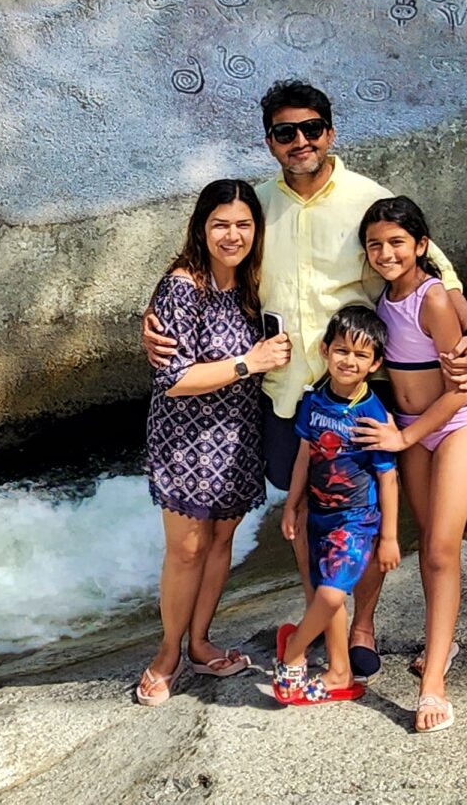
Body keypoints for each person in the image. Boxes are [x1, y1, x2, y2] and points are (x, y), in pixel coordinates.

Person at [143, 80, 467, 681]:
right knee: (308, 513)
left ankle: (360, 626)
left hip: (355, 388)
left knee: (368, 514)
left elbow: (433, 264)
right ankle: (321, 616)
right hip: (282, 394)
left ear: (329, 131)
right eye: (284, 132)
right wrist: (152, 320)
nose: (299, 141)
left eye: (310, 129)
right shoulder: (259, 207)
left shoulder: (366, 198)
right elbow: (208, 260)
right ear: (270, 140)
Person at [137, 179, 291, 706]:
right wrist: (251, 362)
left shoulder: (252, 282)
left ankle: (200, 643)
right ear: (201, 229)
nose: (232, 235)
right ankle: (167, 653)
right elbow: (172, 379)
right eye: (221, 224)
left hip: (238, 434)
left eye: (243, 225)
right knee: (186, 550)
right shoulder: (184, 285)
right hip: (186, 439)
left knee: (221, 544)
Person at [352, 196, 467, 732]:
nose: (386, 253)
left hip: (454, 427)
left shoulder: (432, 300)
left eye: (397, 243)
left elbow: (461, 390)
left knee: (438, 549)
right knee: (428, 540)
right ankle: (442, 645)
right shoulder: (383, 300)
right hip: (412, 434)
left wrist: (405, 435)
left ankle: (433, 684)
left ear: (421, 247)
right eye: (375, 244)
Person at [273, 306, 399, 704]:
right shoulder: (313, 403)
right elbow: (303, 458)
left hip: (357, 520)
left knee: (331, 594)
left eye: (361, 355)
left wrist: (389, 537)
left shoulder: (372, 414)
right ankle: (339, 672)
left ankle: (294, 650)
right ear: (326, 350)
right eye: (342, 350)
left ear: (375, 363)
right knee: (321, 590)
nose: (349, 360)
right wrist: (291, 506)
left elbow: (388, 477)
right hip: (318, 514)